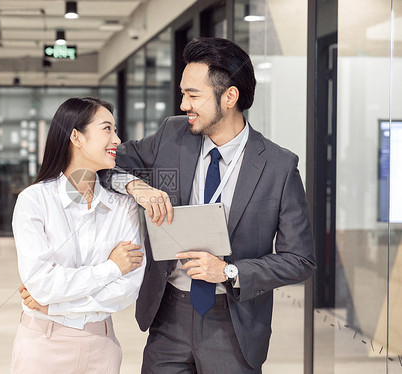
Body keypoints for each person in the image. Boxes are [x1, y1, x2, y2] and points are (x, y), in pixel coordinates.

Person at [106, 37, 316, 373]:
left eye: (193, 95)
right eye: (183, 93)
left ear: (229, 97)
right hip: (169, 316)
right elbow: (103, 163)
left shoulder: (278, 166)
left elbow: (300, 260)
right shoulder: (171, 135)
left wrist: (229, 272)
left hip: (234, 320)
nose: (183, 104)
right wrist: (134, 185)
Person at [11, 97, 145, 374]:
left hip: (102, 347)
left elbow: (128, 288)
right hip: (42, 346)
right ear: (76, 136)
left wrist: (57, 307)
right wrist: (111, 267)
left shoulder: (124, 206)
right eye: (107, 129)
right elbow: (42, 284)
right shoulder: (34, 201)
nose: (117, 139)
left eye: (115, 129)